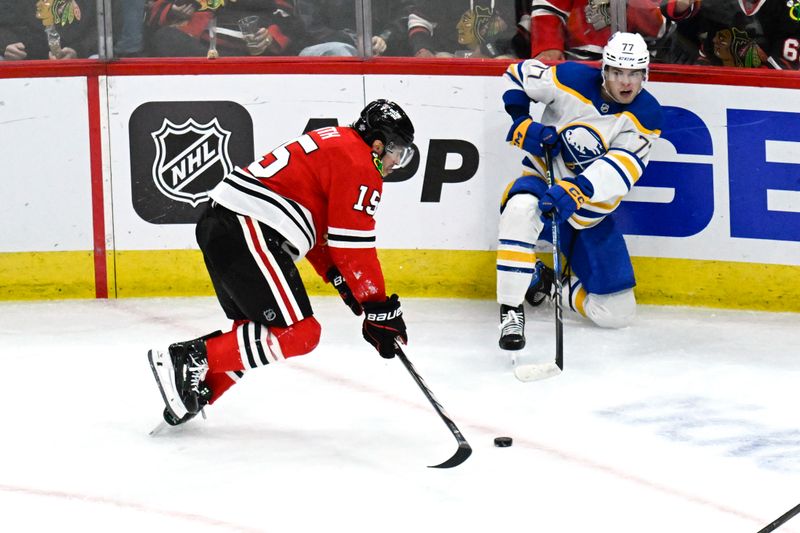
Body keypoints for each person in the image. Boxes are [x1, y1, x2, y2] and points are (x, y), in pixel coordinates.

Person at [148, 100, 415, 426]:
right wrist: (379, 308)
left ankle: (201, 389)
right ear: (378, 143)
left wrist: (337, 276)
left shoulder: (336, 143)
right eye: (397, 152)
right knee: (300, 333)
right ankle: (191, 359)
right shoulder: (361, 164)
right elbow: (353, 248)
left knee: (258, 332)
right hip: (248, 226)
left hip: (225, 225)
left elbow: (319, 236)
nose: (395, 163)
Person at [496, 32, 663, 350]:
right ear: (605, 71)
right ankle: (511, 310)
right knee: (519, 209)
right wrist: (522, 121)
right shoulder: (570, 77)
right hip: (543, 184)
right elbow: (516, 75)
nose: (626, 82)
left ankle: (546, 282)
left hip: (588, 216)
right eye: (617, 72)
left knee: (617, 313)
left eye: (634, 74)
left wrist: (578, 189)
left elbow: (623, 167)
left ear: (645, 74)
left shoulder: (647, 114)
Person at [145, 0, 306, 57]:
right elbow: (153, 11)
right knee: (165, 38)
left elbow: (288, 16)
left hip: (246, 52)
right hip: (193, 48)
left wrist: (269, 39)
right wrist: (172, 11)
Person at [530, 0, 666, 61]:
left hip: (637, 65)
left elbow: (658, 28)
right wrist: (548, 47)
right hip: (579, 62)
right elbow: (548, 8)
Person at [405, 1, 530, 59]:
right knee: (441, 59)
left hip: (499, 57)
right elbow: (419, 19)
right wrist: (422, 49)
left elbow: (528, 23)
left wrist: (487, 50)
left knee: (504, 61)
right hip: (450, 57)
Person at [0, 0, 98, 60]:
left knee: (99, 59)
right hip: (22, 64)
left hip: (80, 64)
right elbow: (4, 25)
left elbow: (105, 26)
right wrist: (6, 45)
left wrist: (79, 50)